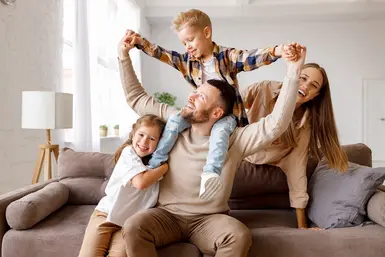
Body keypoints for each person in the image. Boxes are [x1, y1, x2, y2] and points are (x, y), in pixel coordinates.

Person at [117, 30, 305, 257]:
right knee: (134, 226)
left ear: (216, 112)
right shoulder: (174, 123)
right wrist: (124, 57)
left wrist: (294, 71)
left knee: (238, 235)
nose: (192, 97)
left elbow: (276, 124)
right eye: (195, 92)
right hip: (167, 215)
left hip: (210, 220)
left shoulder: (235, 140)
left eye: (201, 97)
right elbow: (137, 98)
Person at [126, 9, 297, 200]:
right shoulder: (187, 61)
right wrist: (141, 43)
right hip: (202, 114)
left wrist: (279, 51)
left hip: (226, 116)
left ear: (206, 33)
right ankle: (156, 163)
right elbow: (163, 54)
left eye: (190, 40)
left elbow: (251, 57)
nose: (187, 47)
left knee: (220, 133)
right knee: (174, 120)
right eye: (183, 43)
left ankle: (211, 172)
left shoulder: (226, 57)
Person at [241, 63, 348, 228]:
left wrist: (302, 226)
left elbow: (297, 167)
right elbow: (232, 103)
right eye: (303, 78)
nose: (305, 86)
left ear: (315, 96)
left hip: (276, 157)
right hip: (242, 149)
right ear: (293, 75)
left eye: (313, 86)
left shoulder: (304, 124)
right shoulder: (265, 89)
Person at [77, 115, 168, 257]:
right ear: (133, 134)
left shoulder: (156, 163)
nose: (144, 141)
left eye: (152, 138)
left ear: (161, 142)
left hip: (128, 223)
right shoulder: (129, 153)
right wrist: (164, 168)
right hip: (105, 214)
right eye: (141, 135)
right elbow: (140, 182)